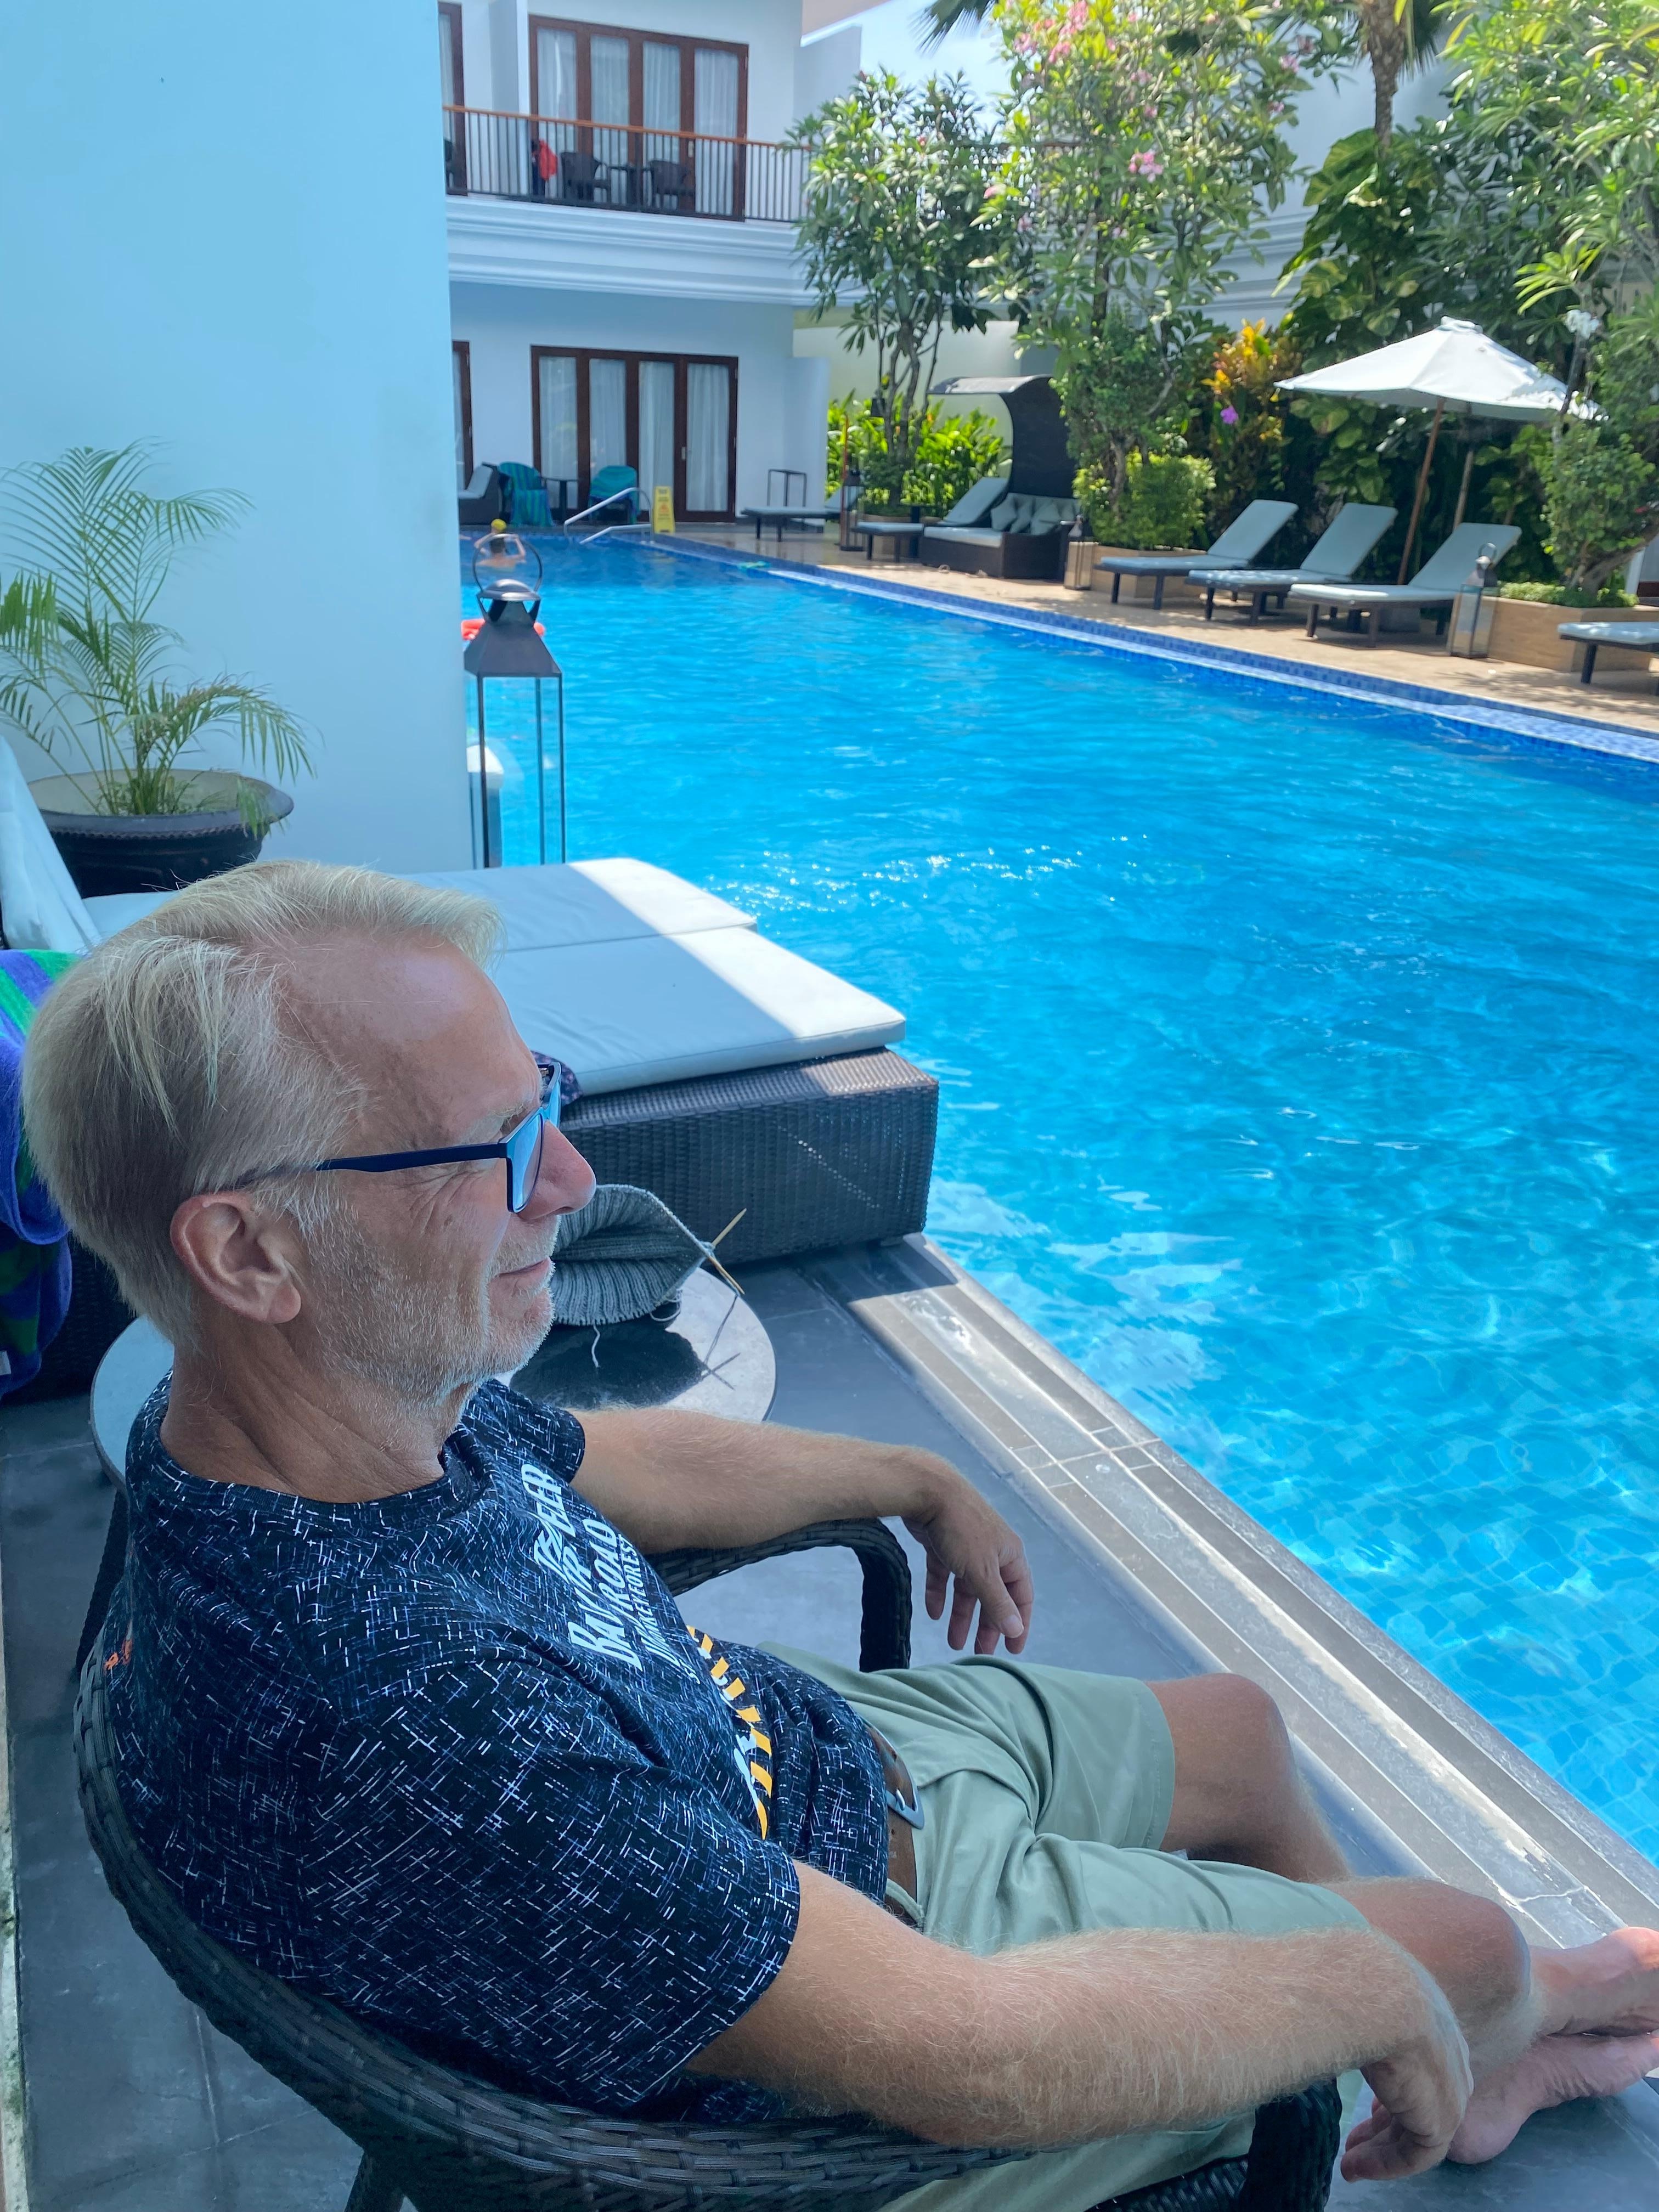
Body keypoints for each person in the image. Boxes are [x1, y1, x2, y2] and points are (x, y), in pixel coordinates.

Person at [25, 861, 1659, 2212]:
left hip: (799, 1776)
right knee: (1442, 1949)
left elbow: (604, 1459)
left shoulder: (301, 1422)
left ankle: (1468, 2035)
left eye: (550, 1103)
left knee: (1238, 1730)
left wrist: (909, 1472)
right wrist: (1354, 1995)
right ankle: (1499, 2017)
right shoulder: (429, 1735)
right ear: (252, 1252)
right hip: (858, 2031)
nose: (572, 1179)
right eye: (499, 1148)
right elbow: (969, 2054)